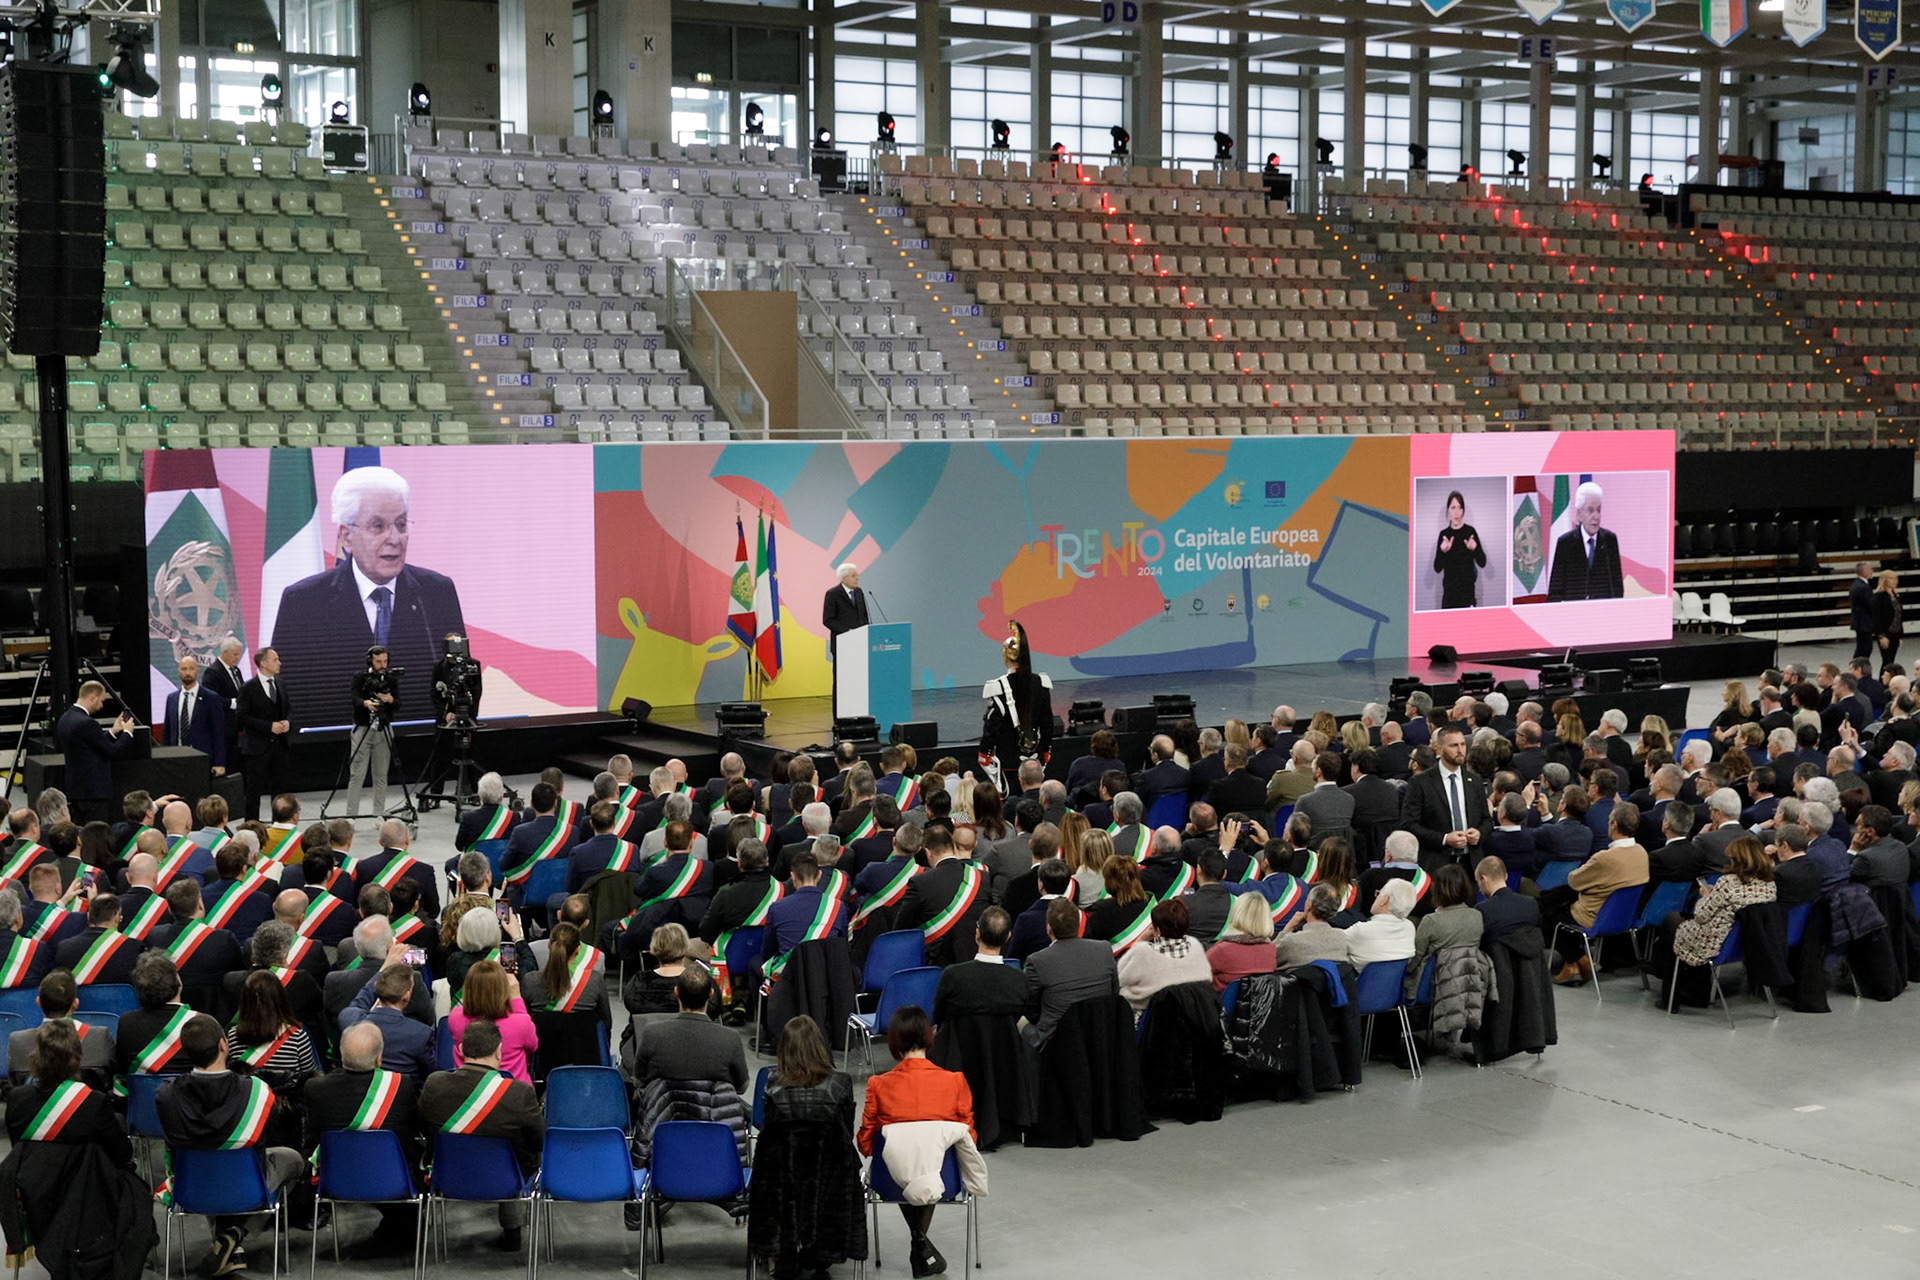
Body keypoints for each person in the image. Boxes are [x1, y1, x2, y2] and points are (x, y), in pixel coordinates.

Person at [272, 465, 467, 716]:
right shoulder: (303, 602)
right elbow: (288, 697)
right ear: (347, 536)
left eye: (400, 524)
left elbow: (460, 679)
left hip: (420, 746)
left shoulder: (436, 593)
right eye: (378, 526)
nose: (394, 538)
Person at [156, 1013, 308, 1275]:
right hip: (245, 1187)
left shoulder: (165, 1095)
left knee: (209, 1162)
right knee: (292, 1159)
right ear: (223, 1045)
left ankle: (224, 1243)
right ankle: (236, 1233)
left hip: (191, 1188)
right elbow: (267, 1134)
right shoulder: (257, 1092)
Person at [856, 1006, 976, 1280]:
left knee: (902, 1159)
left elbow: (866, 1142)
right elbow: (969, 1138)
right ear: (929, 1036)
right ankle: (919, 1241)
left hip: (890, 1181)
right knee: (927, 1161)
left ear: (893, 1042)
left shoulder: (878, 1085)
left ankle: (918, 1241)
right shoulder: (955, 1081)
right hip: (945, 1179)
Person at [750, 1015, 864, 1280]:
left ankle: (782, 1249)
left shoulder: (772, 1084)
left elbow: (770, 1132)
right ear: (819, 1046)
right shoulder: (842, 1083)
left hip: (782, 1176)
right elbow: (845, 1133)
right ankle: (821, 1251)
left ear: (784, 1049)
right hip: (832, 1178)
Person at [417, 1020, 544, 1251]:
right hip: (504, 1180)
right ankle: (512, 1229)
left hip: (447, 1176)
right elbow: (540, 1140)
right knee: (519, 1149)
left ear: (461, 1050)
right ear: (499, 1051)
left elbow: (424, 1127)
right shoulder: (519, 1093)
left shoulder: (434, 1084)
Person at [303, 1022, 423, 1258]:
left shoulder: (314, 1089)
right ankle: (401, 1225)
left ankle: (395, 1226)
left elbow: (312, 1139)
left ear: (340, 1055)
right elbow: (414, 1129)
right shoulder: (401, 1085)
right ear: (379, 1059)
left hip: (336, 1180)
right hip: (394, 1181)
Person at [1541, 801, 1649, 985]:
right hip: (1623, 916)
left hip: (1593, 915)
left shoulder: (1605, 858)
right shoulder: (1642, 853)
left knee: (1548, 913)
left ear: (1614, 824)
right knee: (1553, 898)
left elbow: (1574, 880)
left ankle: (1579, 960)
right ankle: (1576, 962)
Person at [6, 1018, 133, 1167]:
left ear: (35, 1057)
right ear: (78, 1059)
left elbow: (18, 1149)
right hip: (84, 1185)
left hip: (31, 1185)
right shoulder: (95, 1102)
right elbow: (123, 1153)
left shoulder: (16, 1098)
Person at [1658, 835, 1777, 984]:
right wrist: (1715, 895)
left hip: (1715, 940)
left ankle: (1669, 983)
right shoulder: (1769, 884)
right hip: (1741, 940)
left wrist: (1705, 896)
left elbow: (1700, 916)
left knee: (1672, 919)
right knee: (1675, 921)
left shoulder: (1728, 882)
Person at [631, 966, 749, 1093]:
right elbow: (742, 1086)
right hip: (711, 1112)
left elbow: (638, 1081)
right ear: (711, 994)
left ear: (676, 992)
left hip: (664, 1110)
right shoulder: (730, 1038)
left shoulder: (652, 1033)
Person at [977, 621, 1052, 794]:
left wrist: (985, 754)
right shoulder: (1040, 684)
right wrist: (1045, 750)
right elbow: (1047, 724)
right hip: (1035, 759)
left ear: (1005, 656)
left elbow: (992, 727)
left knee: (1009, 803)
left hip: (1008, 761)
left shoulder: (997, 687)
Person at [5, 970, 114, 1083]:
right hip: (90, 1100)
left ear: (38, 1002)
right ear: (75, 1004)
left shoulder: (18, 1042)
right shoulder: (100, 1038)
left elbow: (16, 1088)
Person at [51, 681, 137, 824]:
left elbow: (91, 745)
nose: (102, 706)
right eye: (101, 701)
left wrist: (113, 731)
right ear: (93, 697)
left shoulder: (65, 718)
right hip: (94, 793)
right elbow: (112, 751)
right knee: (96, 835)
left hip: (75, 790)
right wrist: (127, 733)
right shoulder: (87, 723)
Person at [224, 968, 319, 1091]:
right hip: (288, 1108)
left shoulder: (233, 1036)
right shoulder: (297, 1037)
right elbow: (309, 1080)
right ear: (280, 999)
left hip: (252, 1106)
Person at [338, 963, 437, 1079]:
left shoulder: (351, 1021)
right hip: (404, 1093)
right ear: (407, 995)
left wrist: (384, 967)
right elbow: (430, 1074)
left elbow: (358, 1002)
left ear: (375, 986)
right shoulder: (421, 1034)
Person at [1116, 899, 1211, 1019]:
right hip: (1189, 1018)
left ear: (1158, 930)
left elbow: (1118, 979)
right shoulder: (1196, 946)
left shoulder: (1142, 952)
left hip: (1148, 1020)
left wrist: (1139, 941)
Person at [448, 958, 540, 1083]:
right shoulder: (520, 1022)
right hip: (514, 1094)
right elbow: (533, 1046)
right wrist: (517, 997)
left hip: (467, 1092)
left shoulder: (455, 1017)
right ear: (504, 990)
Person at [236, 648, 295, 821]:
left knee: (280, 791)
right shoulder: (248, 688)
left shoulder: (281, 684)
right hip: (257, 748)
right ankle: (252, 826)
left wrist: (288, 723)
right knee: (254, 792)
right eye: (276, 659)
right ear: (263, 663)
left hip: (280, 747)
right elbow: (241, 717)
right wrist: (268, 726)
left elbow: (289, 710)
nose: (280, 662)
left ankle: (280, 825)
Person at [344, 645, 400, 820]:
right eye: (378, 661)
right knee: (357, 775)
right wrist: (366, 703)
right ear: (370, 661)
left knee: (381, 775)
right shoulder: (360, 678)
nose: (382, 665)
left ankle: (379, 814)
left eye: (385, 661)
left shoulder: (390, 680)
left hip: (383, 729)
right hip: (362, 729)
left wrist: (390, 699)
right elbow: (354, 698)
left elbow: (398, 704)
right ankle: (351, 816)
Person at [1545, 480, 1624, 601]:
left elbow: (1618, 588)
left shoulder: (1609, 540)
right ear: (1579, 514)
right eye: (1590, 510)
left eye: (1598, 510)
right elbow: (1555, 592)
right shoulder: (1565, 543)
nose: (1596, 516)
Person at [1406, 864, 1484, 984]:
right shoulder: (1477, 916)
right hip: (1470, 983)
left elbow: (1414, 961)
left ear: (1437, 890)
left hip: (1434, 984)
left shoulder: (1431, 921)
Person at [162, 656, 227, 774]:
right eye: (183, 669)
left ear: (197, 670)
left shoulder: (211, 698)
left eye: (191, 669)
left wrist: (219, 762)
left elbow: (218, 732)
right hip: (176, 759)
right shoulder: (172, 698)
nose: (187, 672)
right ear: (178, 671)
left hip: (202, 759)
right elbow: (167, 731)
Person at [1206, 890, 1277, 993]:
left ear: (1236, 913)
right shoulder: (1272, 950)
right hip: (1261, 1007)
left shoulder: (1223, 950)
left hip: (1222, 1006)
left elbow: (1196, 973)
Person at [1272, 883, 1354, 971]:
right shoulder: (1342, 938)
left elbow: (1265, 957)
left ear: (1309, 905)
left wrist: (1289, 927)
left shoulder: (1292, 941)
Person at [1431, 489, 1488, 609]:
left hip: (1468, 596)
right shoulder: (1444, 535)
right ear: (1448, 510)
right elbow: (1437, 568)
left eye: (1459, 507)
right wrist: (1443, 551)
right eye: (1453, 508)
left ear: (1463, 510)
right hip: (1449, 597)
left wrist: (1475, 548)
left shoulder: (1470, 532)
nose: (1456, 512)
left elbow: (1482, 562)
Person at [1343, 879, 1419, 966]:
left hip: (1359, 978)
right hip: (1393, 979)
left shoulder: (1361, 930)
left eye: (1378, 894)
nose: (1376, 897)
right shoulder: (1409, 927)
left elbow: (1329, 942)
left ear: (1384, 900)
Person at [1474, 856, 1540, 944]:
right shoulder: (1531, 903)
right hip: (1533, 956)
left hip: (1498, 957)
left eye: (1478, 882)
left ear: (1484, 880)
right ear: (1506, 876)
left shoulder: (1482, 910)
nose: (1479, 890)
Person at [821, 562, 871, 652]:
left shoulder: (858, 592)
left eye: (857, 575)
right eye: (853, 576)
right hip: (842, 643)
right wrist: (848, 631)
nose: (857, 578)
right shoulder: (832, 594)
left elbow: (864, 615)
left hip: (860, 643)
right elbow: (828, 620)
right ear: (844, 579)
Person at [1874, 569, 1903, 669]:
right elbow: (1876, 617)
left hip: (1896, 632)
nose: (1894, 581)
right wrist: (1881, 636)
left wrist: (1899, 636)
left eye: (1896, 578)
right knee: (1887, 661)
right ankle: (1883, 682)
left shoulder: (1896, 596)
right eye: (1891, 578)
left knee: (1891, 661)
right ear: (1884, 580)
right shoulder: (1880, 596)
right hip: (1886, 633)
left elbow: (1899, 615)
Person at [1850, 561, 1877, 662]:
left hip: (1861, 622)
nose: (1871, 571)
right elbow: (1869, 605)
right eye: (1870, 569)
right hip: (1864, 622)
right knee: (1864, 649)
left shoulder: (1859, 585)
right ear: (1864, 571)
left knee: (1863, 648)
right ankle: (1857, 668)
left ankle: (1857, 667)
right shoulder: (1862, 587)